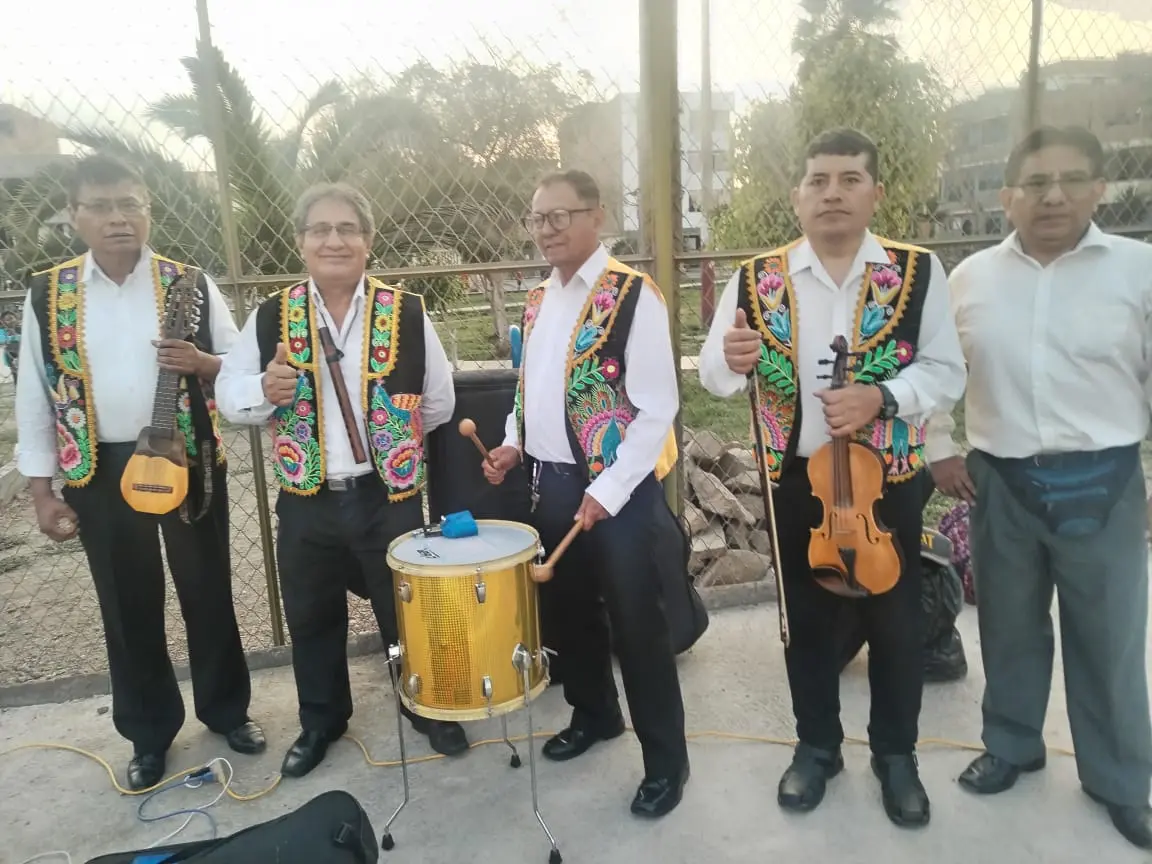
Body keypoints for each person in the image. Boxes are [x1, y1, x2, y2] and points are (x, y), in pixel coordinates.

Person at [698, 128, 966, 828]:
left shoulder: (915, 272)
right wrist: (730, 355)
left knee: (897, 623)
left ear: (875, 192)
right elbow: (714, 377)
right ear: (798, 196)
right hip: (795, 480)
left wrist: (882, 398)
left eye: (850, 179)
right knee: (806, 621)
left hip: (891, 482)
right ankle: (816, 746)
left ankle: (895, 754)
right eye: (818, 180)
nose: (833, 193)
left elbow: (946, 372)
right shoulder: (758, 278)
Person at [925, 125, 1152, 851]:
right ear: (1007, 196)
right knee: (1008, 628)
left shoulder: (1138, 271)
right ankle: (1013, 744)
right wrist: (937, 450)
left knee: (1110, 639)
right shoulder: (970, 279)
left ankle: (1120, 779)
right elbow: (939, 374)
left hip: (1106, 480)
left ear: (1099, 190)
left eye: (1071, 179)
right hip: (1002, 480)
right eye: (1035, 183)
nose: (1053, 195)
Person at [14, 153, 264, 790]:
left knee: (207, 586)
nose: (118, 218)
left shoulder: (190, 281)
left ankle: (228, 711)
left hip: (186, 455)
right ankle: (149, 733)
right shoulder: (48, 293)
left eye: (131, 204)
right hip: (99, 467)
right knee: (126, 604)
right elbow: (35, 396)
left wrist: (203, 360)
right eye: (101, 206)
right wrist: (42, 492)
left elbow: (237, 364)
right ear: (74, 216)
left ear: (149, 209)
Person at [215, 182, 467, 778]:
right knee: (311, 613)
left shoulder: (406, 311)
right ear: (301, 242)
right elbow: (228, 393)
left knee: (403, 609)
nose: (334, 240)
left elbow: (438, 401)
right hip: (307, 498)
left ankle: (422, 702)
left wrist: (391, 449)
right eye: (320, 230)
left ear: (368, 241)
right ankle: (322, 719)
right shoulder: (271, 315)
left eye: (347, 228)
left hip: (388, 496)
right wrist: (261, 391)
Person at [481, 169, 690, 818]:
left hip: (618, 494)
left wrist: (608, 489)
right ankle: (595, 714)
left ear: (596, 216)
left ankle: (666, 765)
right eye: (536, 218)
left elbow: (658, 408)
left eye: (559, 216)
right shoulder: (538, 299)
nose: (546, 229)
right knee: (571, 616)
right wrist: (514, 440)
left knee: (639, 628)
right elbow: (530, 387)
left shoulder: (633, 295)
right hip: (552, 483)